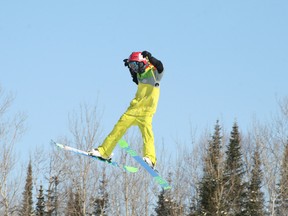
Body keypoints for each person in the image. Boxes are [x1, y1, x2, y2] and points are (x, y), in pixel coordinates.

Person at [88, 51, 164, 169]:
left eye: (135, 65)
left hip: (146, 112)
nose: (134, 68)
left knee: (147, 135)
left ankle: (150, 159)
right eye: (132, 66)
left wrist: (150, 57)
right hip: (133, 110)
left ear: (143, 63)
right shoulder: (140, 75)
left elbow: (160, 66)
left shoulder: (154, 74)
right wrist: (129, 67)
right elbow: (135, 79)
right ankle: (104, 152)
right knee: (118, 128)